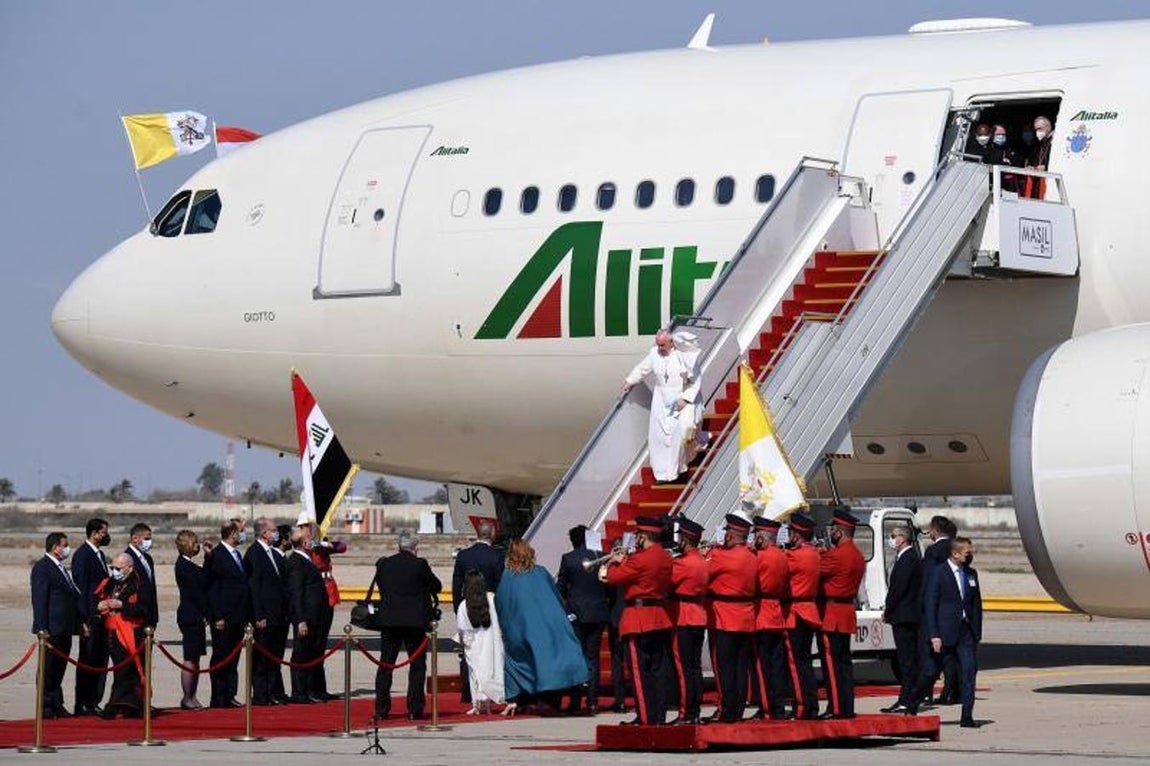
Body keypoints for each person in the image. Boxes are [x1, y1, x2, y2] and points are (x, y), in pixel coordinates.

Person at [495, 538, 587, 716]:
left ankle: (523, 699)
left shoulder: (508, 577)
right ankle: (554, 699)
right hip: (549, 625)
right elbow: (556, 596)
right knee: (555, 657)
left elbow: (503, 604)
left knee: (522, 660)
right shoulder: (541, 572)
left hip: (520, 629)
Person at [603, 517, 673, 725]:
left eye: (637, 535)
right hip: (659, 617)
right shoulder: (665, 557)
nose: (636, 539)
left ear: (644, 536)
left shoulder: (639, 559)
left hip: (638, 617)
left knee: (639, 673)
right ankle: (658, 715)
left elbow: (613, 578)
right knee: (658, 671)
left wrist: (616, 562)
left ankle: (645, 716)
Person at [907, 537, 983, 728]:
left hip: (966, 632)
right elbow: (930, 604)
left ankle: (967, 716)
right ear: (955, 554)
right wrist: (934, 634)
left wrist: (977, 634)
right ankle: (913, 702)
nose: (970, 555)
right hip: (943, 632)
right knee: (931, 672)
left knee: (969, 672)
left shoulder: (971, 574)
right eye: (967, 553)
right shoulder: (938, 573)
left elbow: (976, 605)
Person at [374, 530, 442, 720]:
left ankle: (381, 709)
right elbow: (436, 586)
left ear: (399, 546)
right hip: (414, 622)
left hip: (390, 620)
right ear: (415, 548)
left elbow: (382, 585)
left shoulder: (385, 563)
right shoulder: (420, 564)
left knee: (386, 664)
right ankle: (414, 708)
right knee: (417, 666)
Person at [621, 329, 704, 482]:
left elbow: (696, 381)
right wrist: (630, 381)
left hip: (680, 398)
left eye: (662, 345)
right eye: (658, 344)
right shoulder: (654, 354)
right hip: (661, 400)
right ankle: (662, 473)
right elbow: (642, 369)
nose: (659, 348)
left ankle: (676, 469)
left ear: (671, 342)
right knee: (659, 437)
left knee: (679, 435)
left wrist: (685, 399)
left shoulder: (683, 356)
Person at [705, 513, 758, 723]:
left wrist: (709, 552)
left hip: (725, 617)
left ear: (732, 534)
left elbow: (703, 572)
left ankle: (727, 710)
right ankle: (737, 709)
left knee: (725, 667)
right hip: (745, 616)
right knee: (740, 667)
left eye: (727, 530)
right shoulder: (751, 555)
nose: (725, 533)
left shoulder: (721, 556)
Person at [816, 510, 866, 719]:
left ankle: (836, 708)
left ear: (840, 531)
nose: (831, 532)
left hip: (832, 614)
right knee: (844, 664)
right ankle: (846, 706)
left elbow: (816, 570)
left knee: (831, 664)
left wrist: (817, 553)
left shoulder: (836, 555)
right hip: (845, 612)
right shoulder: (857, 555)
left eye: (834, 529)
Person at [556, 524, 611, 715]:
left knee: (577, 656)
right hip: (598, 610)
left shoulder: (568, 558)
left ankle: (575, 700)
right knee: (593, 657)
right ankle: (592, 700)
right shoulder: (601, 556)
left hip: (577, 612)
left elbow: (561, 587)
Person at [452, 519, 504, 704]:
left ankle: (468, 690)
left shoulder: (464, 555)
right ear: (492, 534)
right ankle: (490, 687)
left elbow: (456, 584)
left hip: (467, 604)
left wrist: (459, 608)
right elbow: (500, 584)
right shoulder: (496, 556)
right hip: (490, 605)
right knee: (490, 647)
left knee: (468, 648)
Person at [96, 552, 152, 719]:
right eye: (112, 567)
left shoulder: (141, 584)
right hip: (111, 633)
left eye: (118, 568)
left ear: (129, 568)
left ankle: (117, 705)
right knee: (120, 669)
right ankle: (126, 705)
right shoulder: (110, 583)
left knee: (126, 671)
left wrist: (122, 605)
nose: (115, 571)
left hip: (131, 633)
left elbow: (144, 609)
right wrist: (102, 605)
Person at [31, 532, 79, 719]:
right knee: (48, 669)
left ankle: (56, 704)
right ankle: (45, 706)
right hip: (51, 628)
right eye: (64, 545)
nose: (67, 549)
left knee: (59, 668)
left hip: (64, 627)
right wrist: (41, 628)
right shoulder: (43, 568)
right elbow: (39, 599)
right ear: (55, 547)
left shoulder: (60, 568)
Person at [207, 519, 251, 708]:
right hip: (223, 617)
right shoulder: (217, 555)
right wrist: (217, 616)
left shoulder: (237, 555)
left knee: (233, 658)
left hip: (238, 616)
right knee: (221, 657)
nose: (244, 534)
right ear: (233, 533)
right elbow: (212, 588)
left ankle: (230, 694)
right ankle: (218, 697)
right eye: (241, 530)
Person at [668, 517, 708, 725]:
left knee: (684, 669)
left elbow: (667, 581)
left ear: (685, 539)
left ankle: (686, 712)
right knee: (695, 667)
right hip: (699, 615)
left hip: (684, 616)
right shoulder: (702, 560)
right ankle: (696, 710)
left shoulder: (682, 563)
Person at [303, 514, 347, 701]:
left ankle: (320, 688)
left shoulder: (321, 546)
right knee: (313, 645)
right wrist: (314, 546)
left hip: (327, 596)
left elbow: (342, 546)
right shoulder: (305, 549)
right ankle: (310, 688)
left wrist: (323, 544)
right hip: (315, 597)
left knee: (321, 645)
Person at [782, 512, 821, 720]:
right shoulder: (813, 553)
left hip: (796, 612)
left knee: (796, 664)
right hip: (808, 611)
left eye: (790, 532)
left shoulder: (794, 556)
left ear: (796, 535)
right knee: (805, 662)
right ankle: (810, 704)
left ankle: (802, 707)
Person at [285, 524, 329, 704]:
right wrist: (300, 620)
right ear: (304, 543)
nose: (313, 542)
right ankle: (299, 692)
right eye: (309, 539)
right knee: (301, 654)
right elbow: (296, 593)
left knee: (312, 653)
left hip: (316, 615)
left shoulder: (306, 559)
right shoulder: (296, 562)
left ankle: (312, 690)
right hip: (306, 616)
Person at [246, 517, 288, 706]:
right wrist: (259, 615)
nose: (276, 533)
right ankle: (261, 695)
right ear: (264, 533)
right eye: (273, 530)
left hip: (277, 614)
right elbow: (254, 587)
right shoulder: (255, 553)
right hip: (264, 615)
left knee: (274, 656)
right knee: (262, 658)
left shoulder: (272, 553)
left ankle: (272, 693)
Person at [881, 525, 922, 714]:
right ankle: (908, 698)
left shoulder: (908, 559)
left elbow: (898, 589)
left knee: (907, 661)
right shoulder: (907, 557)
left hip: (904, 616)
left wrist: (888, 609)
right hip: (906, 614)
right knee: (907, 660)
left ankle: (907, 700)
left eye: (893, 535)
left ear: (903, 538)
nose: (891, 539)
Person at [751, 517, 789, 720]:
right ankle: (778, 705)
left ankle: (766, 707)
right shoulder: (782, 556)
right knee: (777, 665)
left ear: (762, 536)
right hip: (776, 612)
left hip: (762, 613)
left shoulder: (759, 557)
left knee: (762, 665)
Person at [72, 517, 111, 716]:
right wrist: (83, 619)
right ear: (94, 533)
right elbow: (81, 590)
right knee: (87, 660)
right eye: (104, 532)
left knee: (100, 660)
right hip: (90, 617)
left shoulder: (99, 555)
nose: (106, 536)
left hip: (103, 617)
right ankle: (83, 702)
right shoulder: (82, 555)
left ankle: (94, 700)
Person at [921, 515, 959, 704]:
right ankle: (951, 691)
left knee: (929, 652)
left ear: (935, 530)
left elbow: (927, 581)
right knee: (951, 654)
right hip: (952, 608)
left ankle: (926, 691)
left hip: (935, 605)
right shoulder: (956, 549)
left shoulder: (933, 551)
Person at [456, 569, 505, 714]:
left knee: (475, 673)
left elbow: (462, 629)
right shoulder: (493, 599)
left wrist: (465, 644)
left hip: (474, 644)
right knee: (492, 670)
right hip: (492, 642)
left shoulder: (464, 605)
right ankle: (490, 701)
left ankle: (476, 703)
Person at [174, 529, 210, 710]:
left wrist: (207, 557)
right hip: (190, 616)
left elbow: (204, 576)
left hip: (195, 616)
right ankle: (187, 696)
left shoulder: (189, 564)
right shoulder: (183, 566)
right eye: (194, 543)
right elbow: (197, 591)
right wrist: (208, 613)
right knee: (190, 658)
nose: (197, 546)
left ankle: (192, 695)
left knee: (195, 658)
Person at [125, 522, 159, 629]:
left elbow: (151, 587)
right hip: (135, 616)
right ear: (135, 538)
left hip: (149, 615)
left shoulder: (148, 558)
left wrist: (154, 616)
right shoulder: (126, 558)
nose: (149, 542)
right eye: (146, 539)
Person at [1023, 115, 1055, 198]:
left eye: (1040, 129)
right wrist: (1032, 166)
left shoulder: (1055, 141)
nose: (1037, 132)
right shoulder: (1042, 143)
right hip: (1040, 181)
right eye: (1036, 130)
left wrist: (1046, 166)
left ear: (1048, 127)